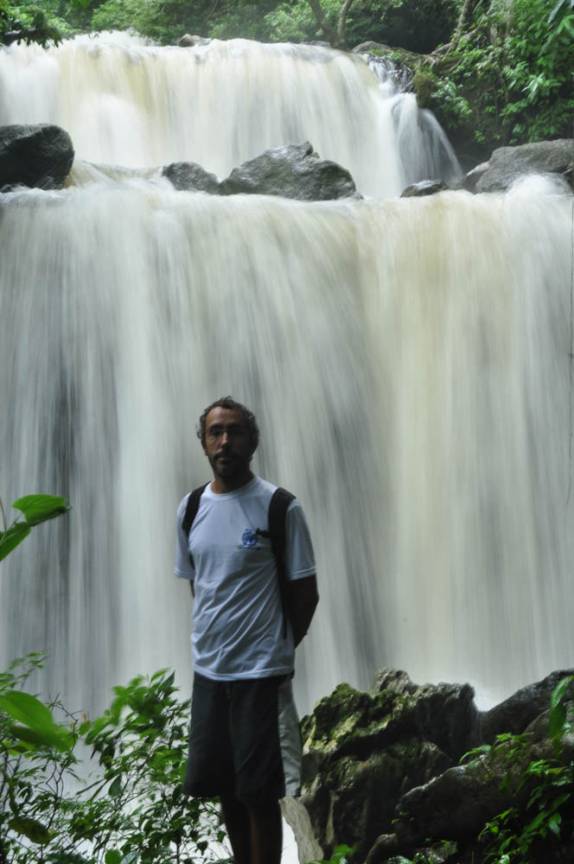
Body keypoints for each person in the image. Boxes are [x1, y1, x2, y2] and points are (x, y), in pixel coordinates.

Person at [175, 396, 319, 864]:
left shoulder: (279, 507)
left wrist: (278, 646)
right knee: (226, 788)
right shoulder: (191, 508)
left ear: (252, 442)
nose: (224, 441)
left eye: (234, 432)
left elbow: (305, 592)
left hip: (260, 674)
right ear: (203, 443)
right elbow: (200, 583)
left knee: (259, 793)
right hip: (210, 673)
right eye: (215, 432)